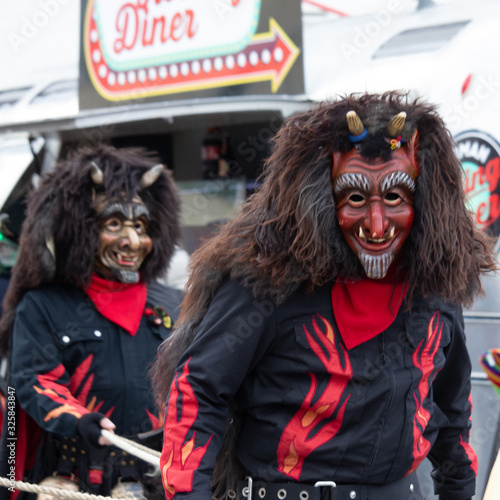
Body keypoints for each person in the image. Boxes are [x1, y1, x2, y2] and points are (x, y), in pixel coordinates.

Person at [152, 92, 498, 500]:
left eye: (393, 198)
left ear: (424, 202)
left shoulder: (436, 292)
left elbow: (452, 412)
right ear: (319, 198)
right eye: (354, 198)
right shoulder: (266, 284)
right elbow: (200, 389)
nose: (375, 223)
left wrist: (457, 491)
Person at [0, 145, 181, 499]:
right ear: (79, 231)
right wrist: (77, 419)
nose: (132, 242)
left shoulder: (176, 304)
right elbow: (33, 378)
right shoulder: (43, 304)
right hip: (70, 477)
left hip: (157, 479)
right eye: (114, 224)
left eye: (141, 226)